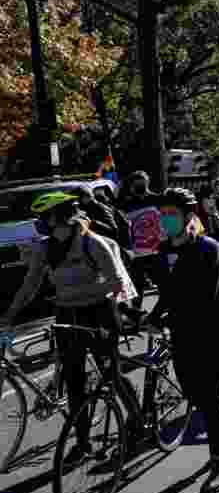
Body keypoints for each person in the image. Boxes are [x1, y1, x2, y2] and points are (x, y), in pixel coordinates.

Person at [1, 192, 145, 461]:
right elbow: (29, 285)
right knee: (74, 381)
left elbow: (116, 283)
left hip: (99, 314)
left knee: (110, 372)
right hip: (67, 316)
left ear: (59, 217)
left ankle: (137, 420)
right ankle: (82, 442)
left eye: (44, 217)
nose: (39, 223)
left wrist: (75, 295)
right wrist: (10, 314)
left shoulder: (93, 244)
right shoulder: (45, 248)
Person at [147, 188, 219, 493]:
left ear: (188, 216)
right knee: (194, 395)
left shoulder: (208, 248)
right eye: (163, 215)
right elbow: (166, 292)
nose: (166, 220)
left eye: (172, 214)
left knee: (210, 398)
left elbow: (205, 293)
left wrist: (169, 311)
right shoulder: (162, 251)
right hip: (182, 334)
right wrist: (152, 317)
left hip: (212, 333)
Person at [117, 170, 165, 311]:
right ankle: (137, 315)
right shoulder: (126, 204)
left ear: (147, 183)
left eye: (142, 184)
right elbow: (121, 226)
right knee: (137, 286)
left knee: (163, 284)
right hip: (137, 254)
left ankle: (165, 312)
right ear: (131, 186)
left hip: (157, 250)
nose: (139, 187)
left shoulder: (157, 200)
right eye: (136, 184)